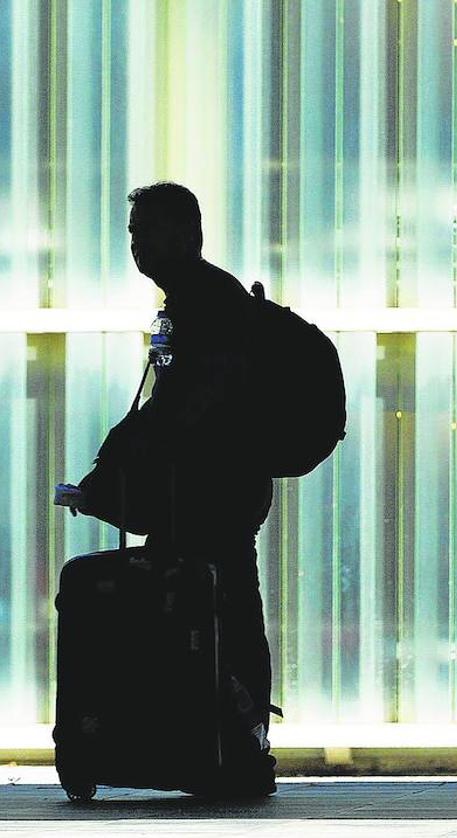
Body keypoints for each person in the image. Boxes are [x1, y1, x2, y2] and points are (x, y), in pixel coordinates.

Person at [77, 182, 277, 795]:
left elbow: (189, 406)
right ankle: (208, 744)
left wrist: (122, 455)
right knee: (210, 605)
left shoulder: (207, 303)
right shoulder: (187, 301)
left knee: (225, 607)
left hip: (212, 491)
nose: (135, 243)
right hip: (197, 490)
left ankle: (237, 745)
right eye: (133, 232)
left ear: (185, 233)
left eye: (146, 230)